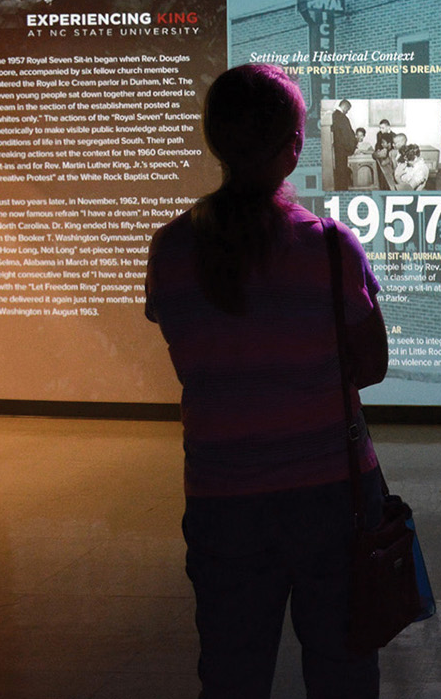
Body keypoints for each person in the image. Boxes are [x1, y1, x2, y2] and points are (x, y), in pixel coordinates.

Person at [144, 64, 389, 699]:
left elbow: (193, 357)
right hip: (332, 494)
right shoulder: (332, 248)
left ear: (215, 140)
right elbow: (372, 366)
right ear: (293, 148)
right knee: (342, 667)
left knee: (231, 670)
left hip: (224, 493)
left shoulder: (169, 250)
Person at [331, 100, 357, 190]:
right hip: (342, 150)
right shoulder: (342, 118)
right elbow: (347, 135)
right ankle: (342, 189)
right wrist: (352, 146)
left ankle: (340, 188)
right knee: (342, 171)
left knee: (339, 171)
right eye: (348, 109)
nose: (347, 111)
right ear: (345, 107)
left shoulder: (333, 116)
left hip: (337, 148)